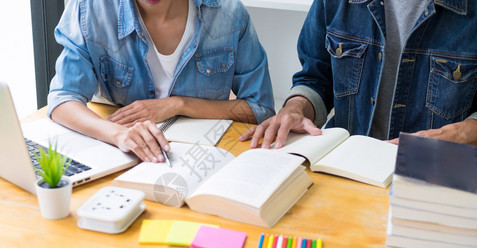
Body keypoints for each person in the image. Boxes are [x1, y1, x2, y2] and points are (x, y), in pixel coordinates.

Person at [48, 0, 275, 162]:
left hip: (202, 154)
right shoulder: (90, 9)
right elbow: (63, 98)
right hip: (123, 155)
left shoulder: (228, 12)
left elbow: (259, 109)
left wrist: (178, 104)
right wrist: (118, 135)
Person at [240, 0, 477, 149]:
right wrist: (295, 109)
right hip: (345, 164)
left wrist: (468, 131)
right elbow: (315, 77)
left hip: (433, 176)